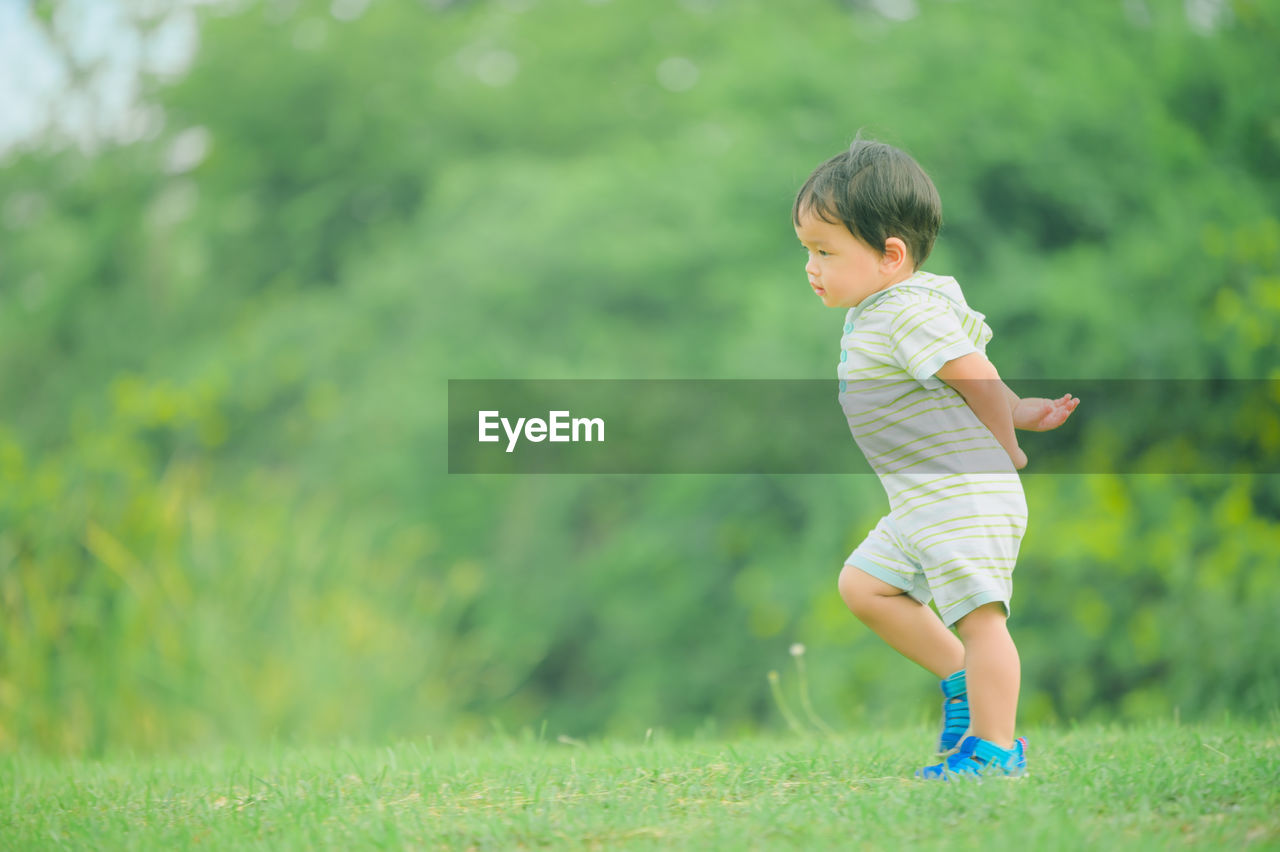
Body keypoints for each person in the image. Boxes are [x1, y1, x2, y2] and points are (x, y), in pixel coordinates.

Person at [792, 138, 1079, 779]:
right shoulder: (891, 306)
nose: (811, 267)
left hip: (963, 493)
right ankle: (959, 682)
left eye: (824, 251)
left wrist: (1009, 440)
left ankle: (997, 749)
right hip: (924, 498)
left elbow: (974, 373)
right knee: (864, 586)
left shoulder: (905, 312)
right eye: (807, 250)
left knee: (982, 622)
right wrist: (1025, 408)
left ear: (890, 255)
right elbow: (967, 373)